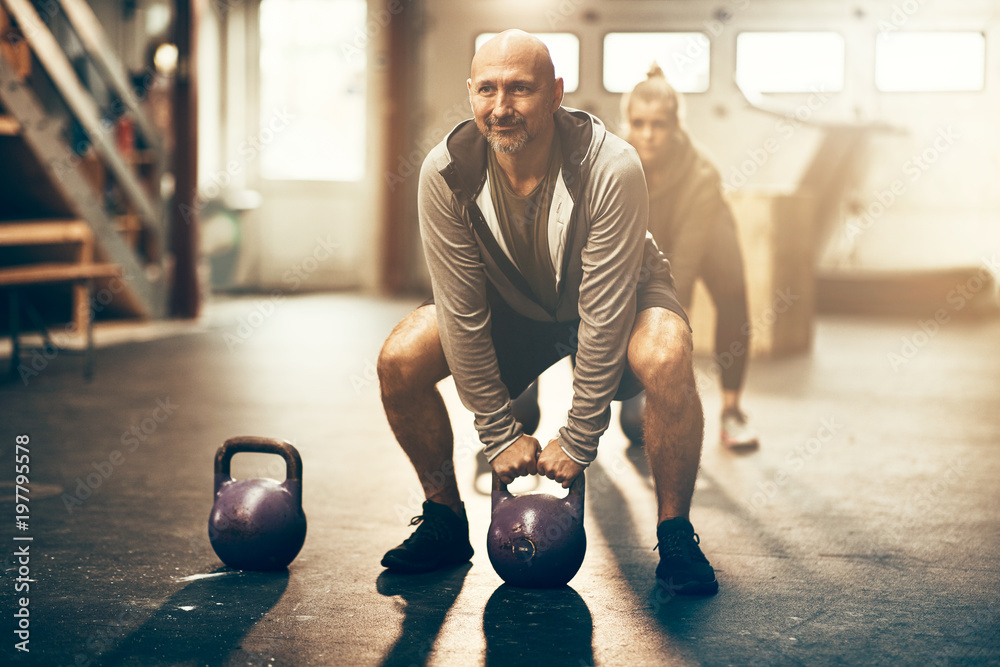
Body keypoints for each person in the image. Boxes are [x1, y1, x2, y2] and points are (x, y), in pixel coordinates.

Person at [376, 31, 717, 595]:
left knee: (668, 351)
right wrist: (499, 433)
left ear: (556, 94)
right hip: (511, 302)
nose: (501, 107)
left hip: (615, 298)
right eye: (487, 89)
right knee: (400, 360)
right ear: (470, 94)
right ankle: (443, 521)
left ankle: (675, 532)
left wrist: (580, 439)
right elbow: (461, 311)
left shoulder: (612, 166)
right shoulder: (445, 173)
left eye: (520, 89)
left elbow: (604, 313)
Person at [620, 64, 759, 449]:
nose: (647, 134)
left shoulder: (701, 173)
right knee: (635, 428)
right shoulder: (616, 162)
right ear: (627, 122)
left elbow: (684, 265)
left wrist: (667, 356)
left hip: (707, 232)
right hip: (651, 232)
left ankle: (732, 413)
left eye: (659, 124)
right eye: (639, 122)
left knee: (731, 290)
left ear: (676, 125)